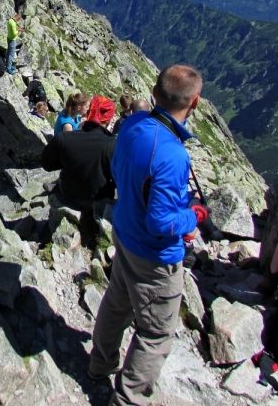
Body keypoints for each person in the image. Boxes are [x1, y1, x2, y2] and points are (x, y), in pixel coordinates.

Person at [88, 65, 212, 406]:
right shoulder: (173, 155)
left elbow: (118, 169)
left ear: (154, 93)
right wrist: (195, 214)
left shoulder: (132, 124)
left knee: (117, 303)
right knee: (156, 334)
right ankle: (128, 400)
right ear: (195, 102)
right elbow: (162, 223)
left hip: (125, 232)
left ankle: (99, 365)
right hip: (154, 256)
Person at [41, 95, 117, 211]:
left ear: (90, 112)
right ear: (109, 120)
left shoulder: (64, 138)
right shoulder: (113, 145)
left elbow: (46, 164)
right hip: (98, 200)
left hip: (68, 193)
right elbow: (119, 179)